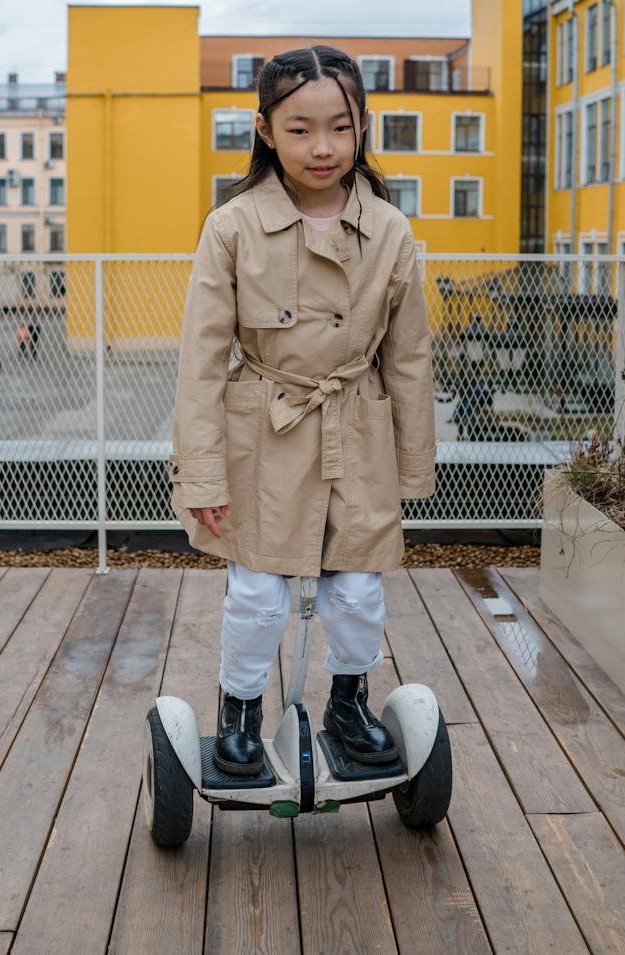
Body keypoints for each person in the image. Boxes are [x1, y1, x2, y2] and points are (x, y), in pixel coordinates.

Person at [168, 46, 436, 776]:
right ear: (263, 129)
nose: (323, 148)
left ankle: (348, 701)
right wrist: (202, 474)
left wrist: (413, 467)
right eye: (299, 128)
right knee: (256, 591)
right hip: (262, 428)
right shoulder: (232, 227)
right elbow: (201, 362)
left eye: (340, 127)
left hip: (358, 429)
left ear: (362, 127)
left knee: (357, 588)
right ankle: (241, 712)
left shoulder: (390, 232)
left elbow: (408, 358)